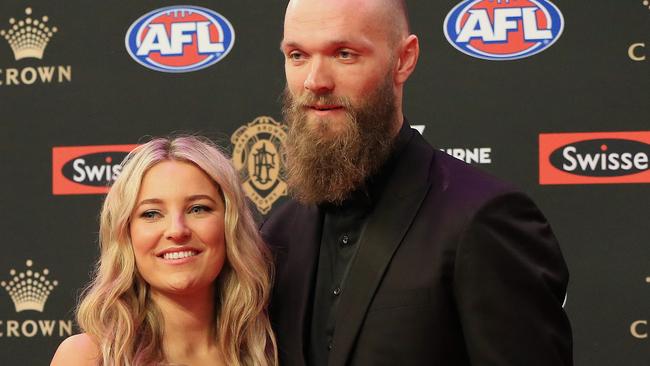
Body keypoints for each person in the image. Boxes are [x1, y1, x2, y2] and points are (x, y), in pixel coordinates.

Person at [261, 0, 573, 365]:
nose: (315, 81)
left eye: (344, 54)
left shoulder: (482, 219)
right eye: (297, 55)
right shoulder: (279, 232)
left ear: (404, 59)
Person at [51, 136, 277, 366]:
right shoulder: (87, 357)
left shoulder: (269, 353)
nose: (177, 230)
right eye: (151, 213)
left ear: (231, 226)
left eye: (198, 209)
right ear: (126, 234)